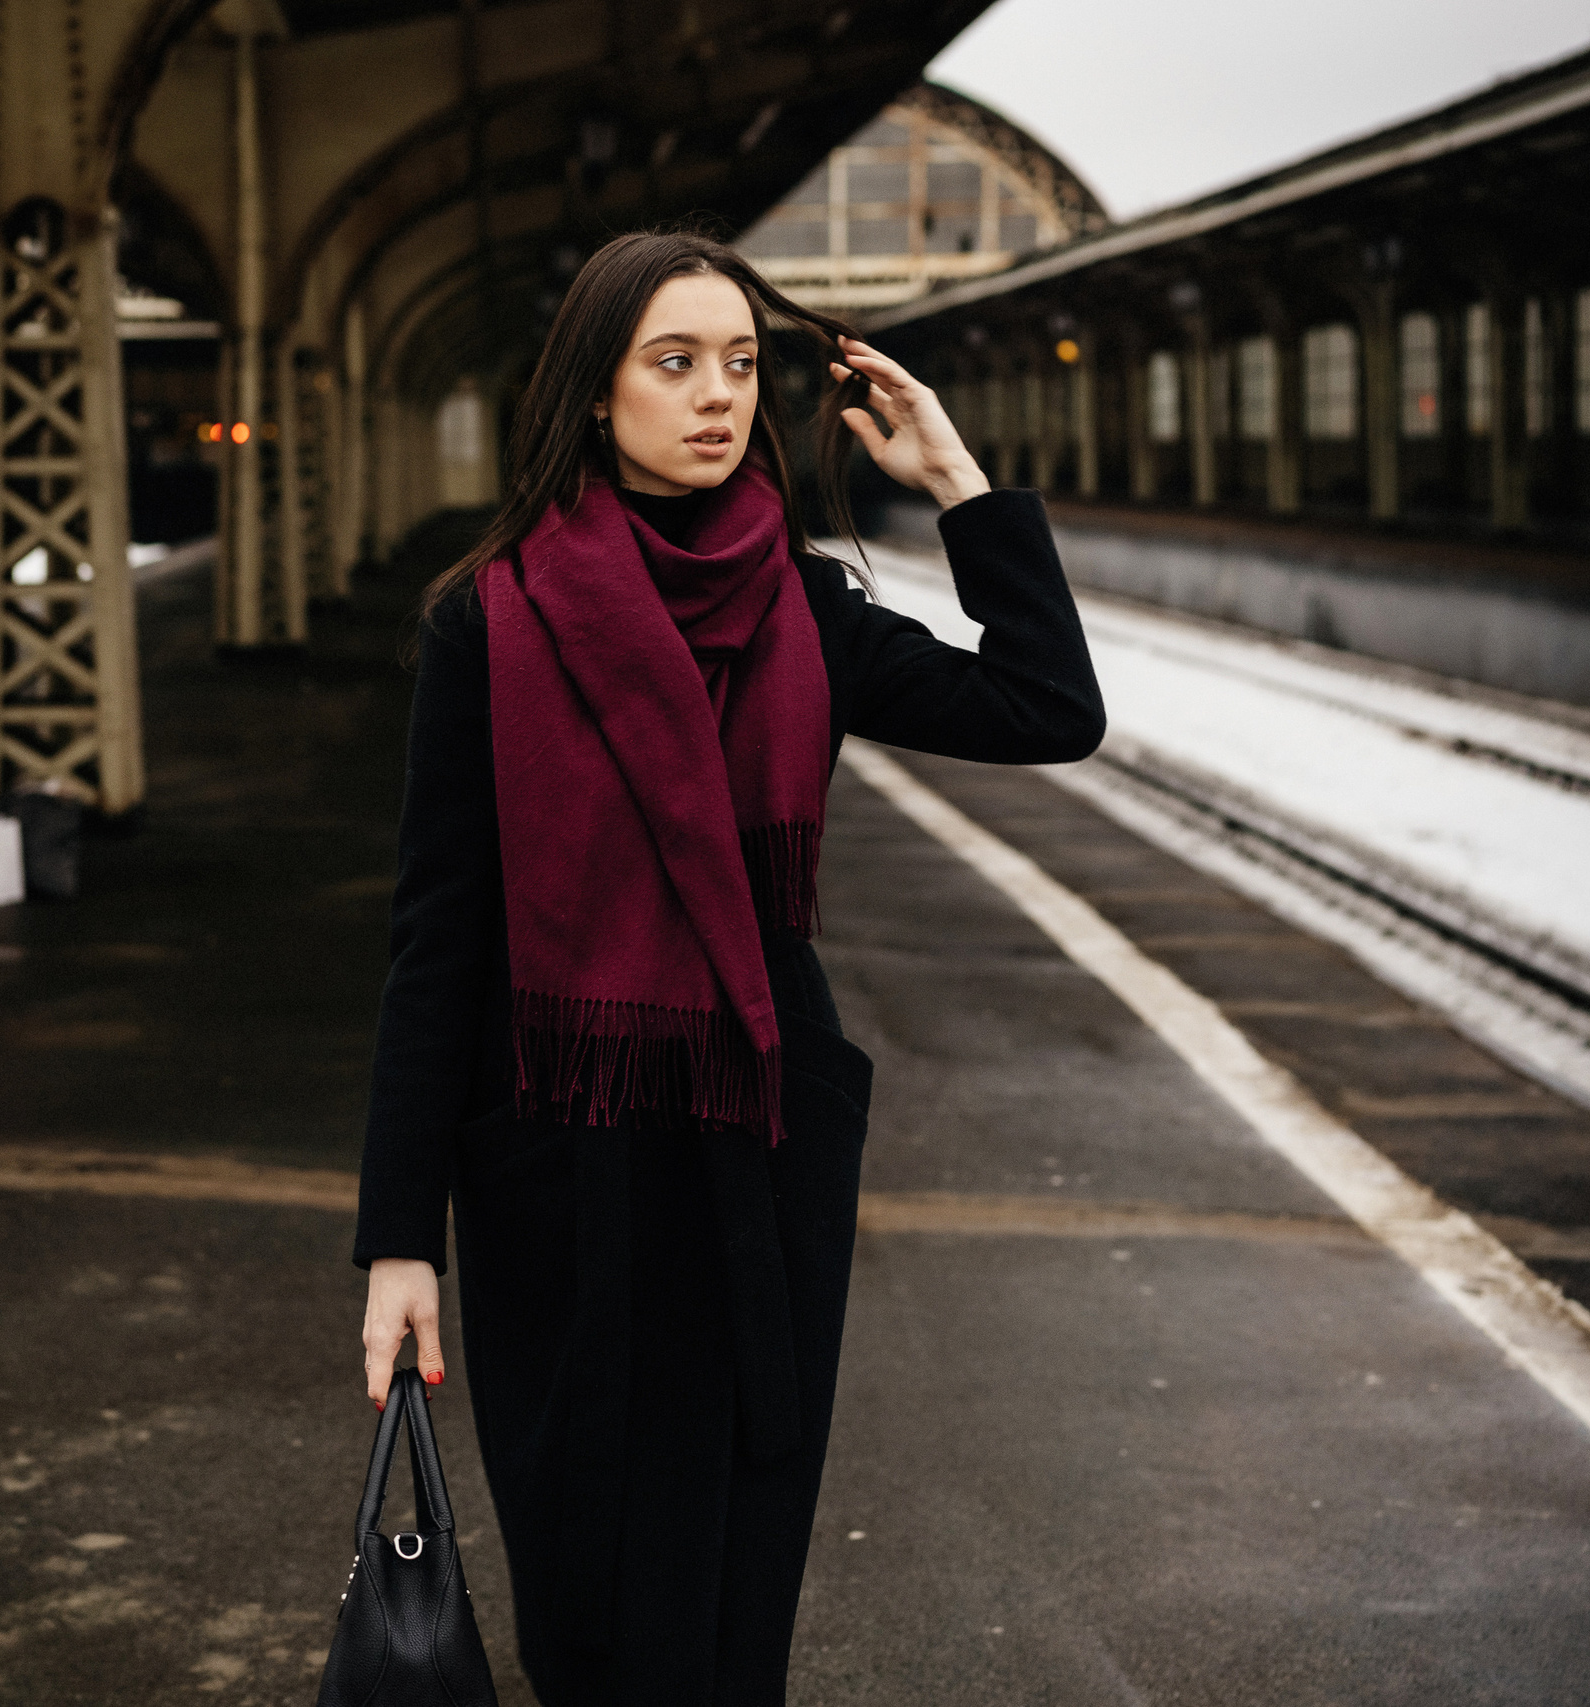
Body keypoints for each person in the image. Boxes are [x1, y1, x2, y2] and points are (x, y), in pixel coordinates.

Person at [353, 228, 1105, 1705]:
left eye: (744, 366)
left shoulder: (810, 609)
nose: (718, 397)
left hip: (754, 1157)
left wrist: (957, 482)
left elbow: (1045, 707)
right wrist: (399, 1238)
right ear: (593, 393)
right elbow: (437, 941)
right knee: (584, 1596)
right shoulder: (487, 622)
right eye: (675, 362)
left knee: (733, 1600)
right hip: (556, 1162)